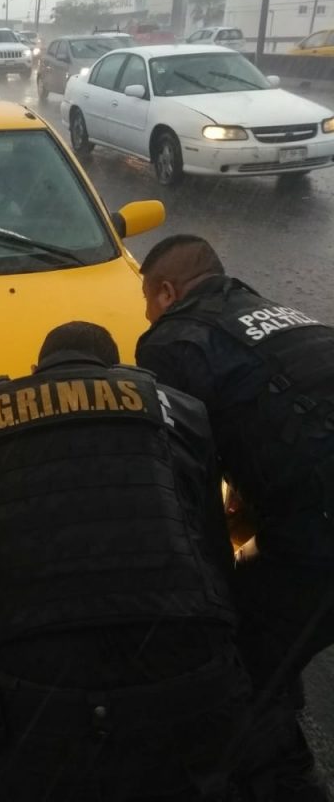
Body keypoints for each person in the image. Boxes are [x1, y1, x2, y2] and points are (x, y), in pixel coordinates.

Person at [0, 321, 250, 802]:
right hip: (185, 676)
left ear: (38, 369)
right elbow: (216, 563)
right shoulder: (182, 411)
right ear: (118, 372)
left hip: (39, 694)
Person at [136, 234, 334, 801]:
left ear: (167, 293)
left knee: (238, 658)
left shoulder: (171, 342)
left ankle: (285, 782)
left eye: (147, 300)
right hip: (314, 505)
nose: (147, 314)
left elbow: (186, 476)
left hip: (318, 530)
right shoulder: (280, 316)